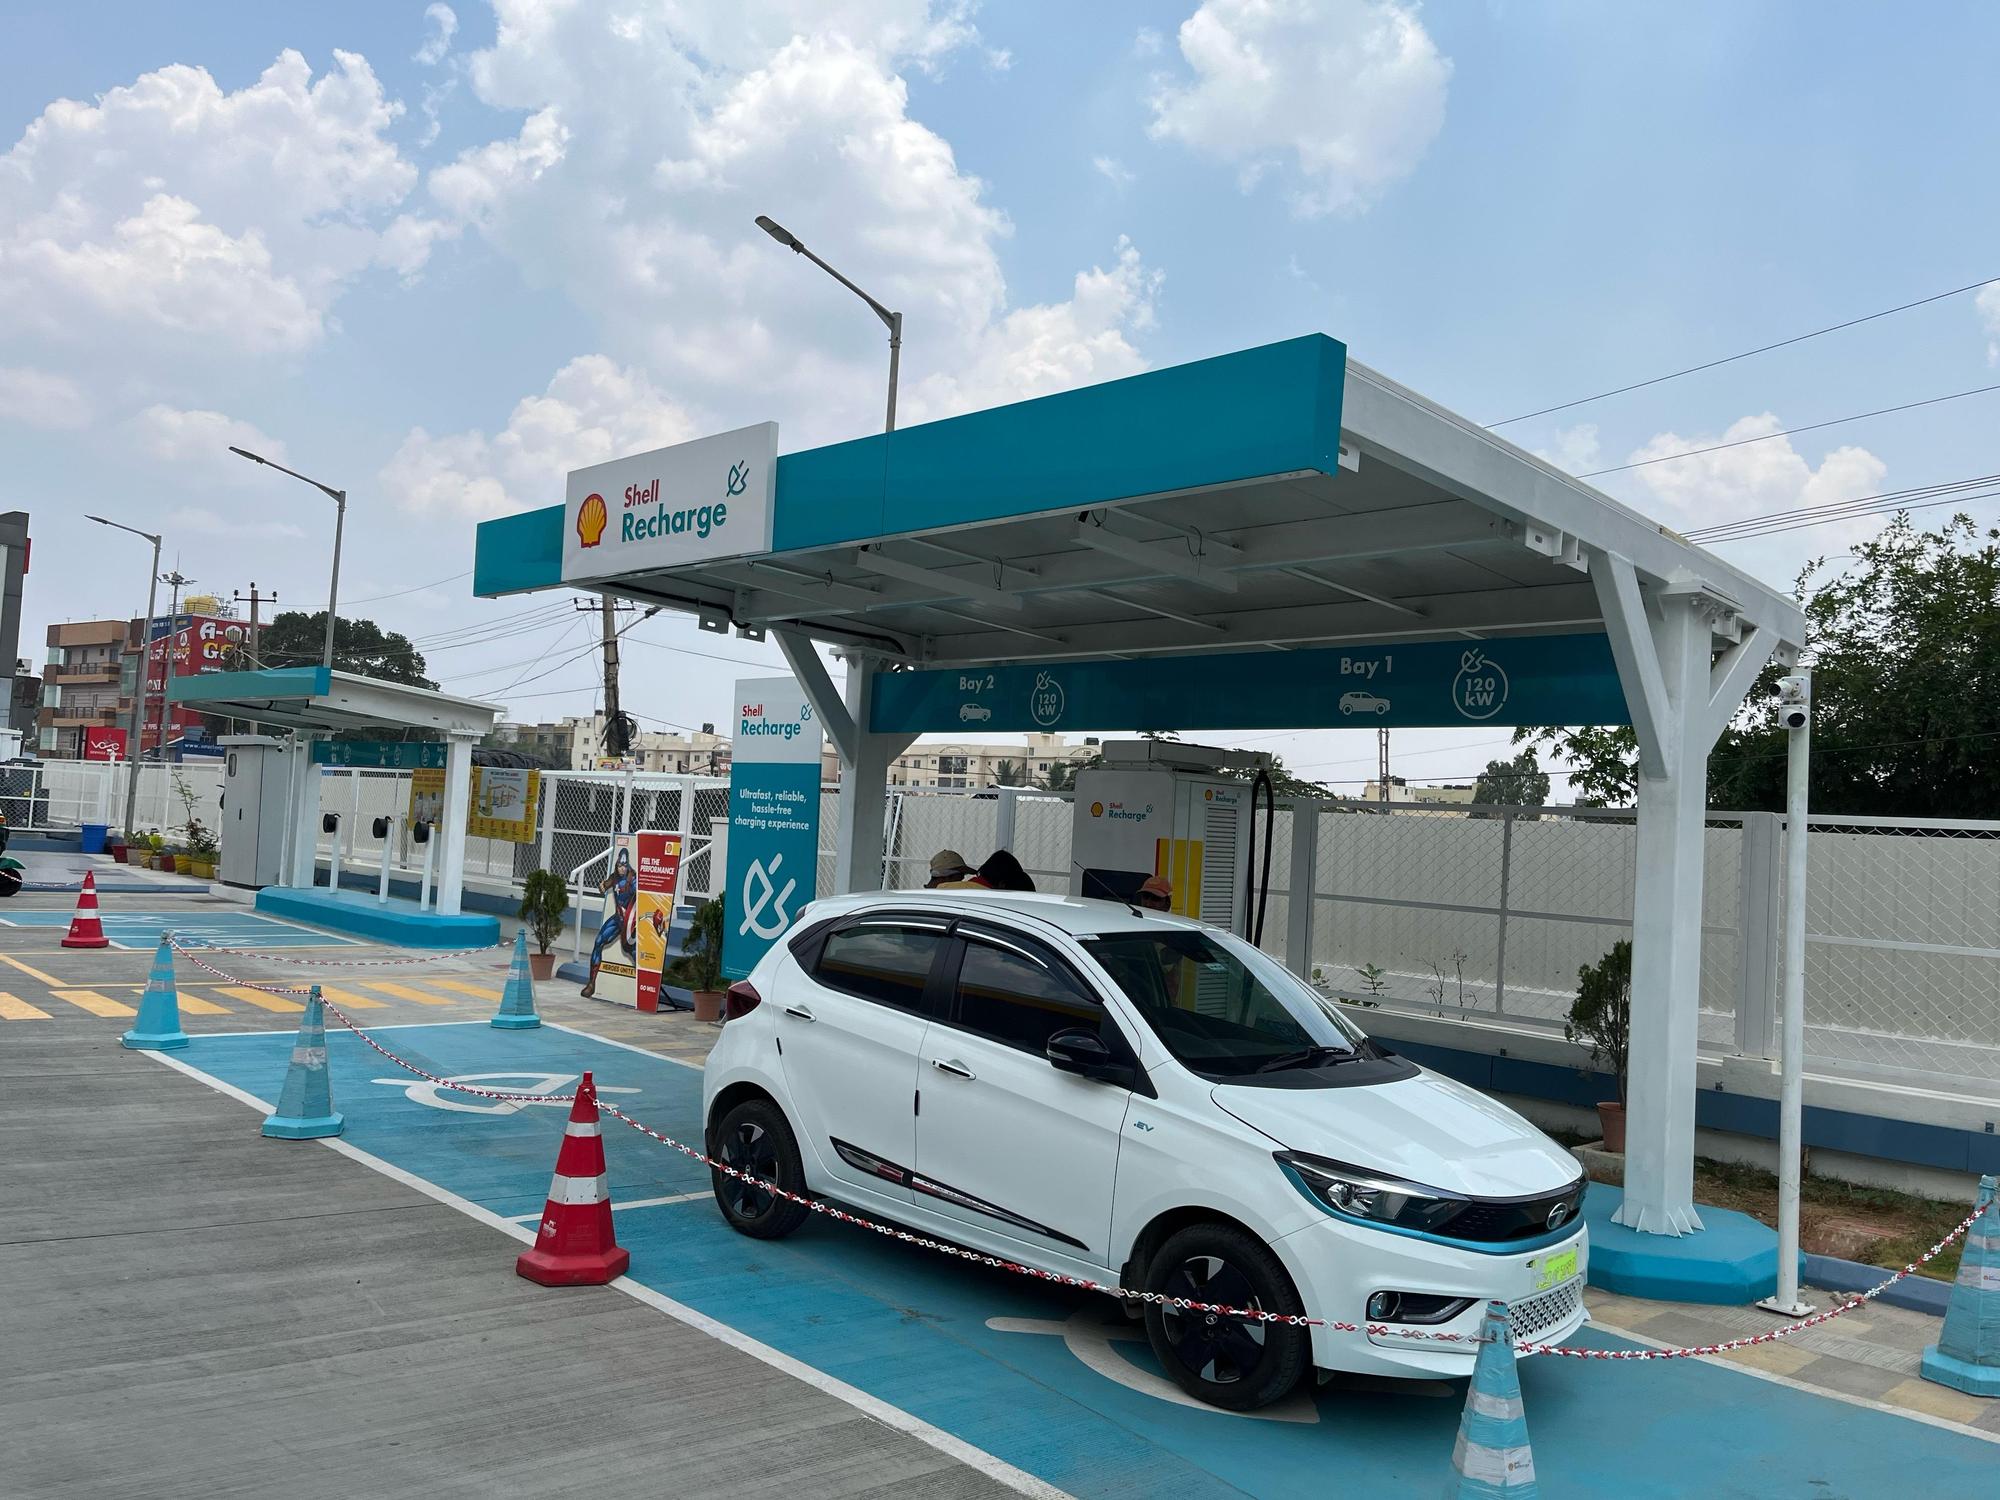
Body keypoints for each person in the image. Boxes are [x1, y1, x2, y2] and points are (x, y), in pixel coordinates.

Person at [580, 846, 637, 998]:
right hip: (617, 919)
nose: (622, 868)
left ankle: (644, 986)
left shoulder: (633, 879)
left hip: (630, 923)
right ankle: (591, 984)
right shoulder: (615, 877)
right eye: (619, 865)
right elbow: (605, 885)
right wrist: (603, 886)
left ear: (628, 865)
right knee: (598, 942)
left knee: (632, 951)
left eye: (624, 865)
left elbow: (642, 899)